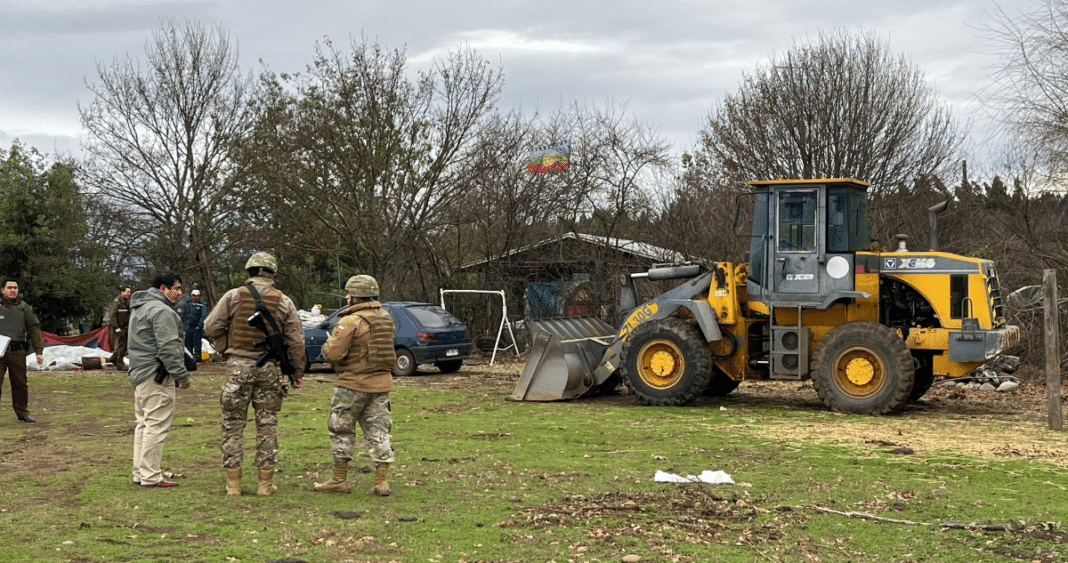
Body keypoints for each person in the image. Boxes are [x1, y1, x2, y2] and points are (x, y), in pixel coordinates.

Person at [205, 252, 305, 497]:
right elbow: (296, 341)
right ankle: (264, 485)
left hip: (237, 367)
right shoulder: (284, 301)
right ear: (272, 274)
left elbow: (210, 326)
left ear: (250, 272)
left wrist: (225, 345)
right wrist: (296, 372)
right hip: (269, 369)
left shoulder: (233, 296)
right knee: (267, 425)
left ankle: (234, 485)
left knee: (232, 425)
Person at [314, 274, 396, 496]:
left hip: (352, 385)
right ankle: (382, 482)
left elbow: (333, 354)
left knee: (341, 430)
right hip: (381, 385)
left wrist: (329, 342)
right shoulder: (386, 318)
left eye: (349, 295)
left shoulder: (350, 321)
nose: (347, 298)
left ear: (356, 298)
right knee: (379, 432)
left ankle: (339, 480)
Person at [128, 272, 190, 488]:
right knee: (156, 425)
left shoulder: (140, 307)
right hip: (157, 374)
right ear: (163, 288)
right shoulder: (161, 311)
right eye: (177, 287)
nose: (180, 293)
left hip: (140, 372)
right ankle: (151, 475)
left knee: (143, 424)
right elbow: (168, 348)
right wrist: (182, 376)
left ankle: (141, 472)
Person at [0, 278, 45, 423]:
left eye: (15, 288)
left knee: (20, 383)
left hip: (17, 350)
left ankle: (22, 412)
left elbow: (34, 329)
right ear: (3, 290)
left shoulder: (24, 308)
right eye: (10, 288)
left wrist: (39, 351)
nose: (13, 290)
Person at [107, 287, 132, 371]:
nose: (128, 294)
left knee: (123, 345)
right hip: (119, 327)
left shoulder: (126, 302)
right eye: (127, 292)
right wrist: (116, 327)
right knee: (122, 345)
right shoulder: (117, 302)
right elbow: (112, 315)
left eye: (129, 292)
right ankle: (119, 364)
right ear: (122, 292)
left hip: (125, 327)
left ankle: (113, 358)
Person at [182, 289, 208, 361]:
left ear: (199, 296)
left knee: (197, 344)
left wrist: (199, 326)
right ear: (191, 296)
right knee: (188, 344)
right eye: (193, 295)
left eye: (196, 296)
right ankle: (189, 359)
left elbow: (204, 316)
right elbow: (185, 315)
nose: (195, 297)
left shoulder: (202, 305)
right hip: (188, 328)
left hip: (197, 328)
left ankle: (198, 358)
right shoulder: (188, 304)